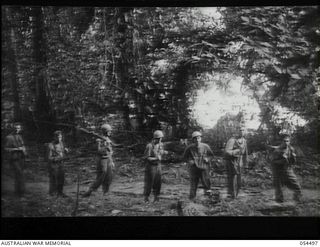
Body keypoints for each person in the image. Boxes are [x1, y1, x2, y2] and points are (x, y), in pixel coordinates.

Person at [82, 123, 120, 197]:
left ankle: (106, 192)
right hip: (102, 160)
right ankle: (91, 190)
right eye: (109, 131)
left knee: (109, 175)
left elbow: (111, 150)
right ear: (105, 131)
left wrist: (112, 161)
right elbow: (98, 151)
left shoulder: (108, 139)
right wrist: (106, 147)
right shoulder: (99, 139)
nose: (110, 132)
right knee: (102, 175)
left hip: (108, 158)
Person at [182, 131, 214, 201]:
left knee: (207, 184)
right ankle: (192, 201)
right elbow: (184, 157)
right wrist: (189, 161)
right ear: (193, 140)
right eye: (195, 138)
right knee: (193, 185)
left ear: (201, 138)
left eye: (198, 138)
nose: (197, 140)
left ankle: (209, 200)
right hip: (194, 169)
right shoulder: (189, 148)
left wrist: (207, 159)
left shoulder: (205, 146)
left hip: (204, 168)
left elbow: (211, 155)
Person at [270, 134, 302, 203]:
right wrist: (282, 160)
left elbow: (293, 162)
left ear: (289, 142)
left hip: (287, 170)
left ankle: (297, 201)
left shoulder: (291, 149)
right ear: (282, 142)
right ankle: (279, 205)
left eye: (287, 141)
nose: (286, 143)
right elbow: (272, 162)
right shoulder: (277, 151)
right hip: (278, 171)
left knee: (297, 186)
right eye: (284, 141)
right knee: (278, 188)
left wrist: (293, 157)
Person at [143, 130, 168, 203]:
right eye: (159, 138)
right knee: (149, 182)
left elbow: (161, 152)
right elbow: (146, 158)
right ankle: (146, 198)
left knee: (158, 182)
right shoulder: (149, 146)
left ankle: (156, 198)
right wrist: (156, 158)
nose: (160, 140)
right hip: (151, 166)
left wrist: (164, 152)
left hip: (158, 166)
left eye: (161, 138)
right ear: (155, 138)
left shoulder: (161, 144)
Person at [224, 125, 248, 199]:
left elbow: (245, 153)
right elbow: (227, 151)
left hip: (239, 162)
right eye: (240, 130)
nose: (241, 132)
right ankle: (232, 195)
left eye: (243, 130)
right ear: (237, 131)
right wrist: (236, 151)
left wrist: (245, 164)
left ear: (245, 132)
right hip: (232, 161)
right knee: (233, 178)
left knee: (239, 180)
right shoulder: (232, 140)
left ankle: (236, 194)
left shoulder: (244, 141)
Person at [4, 122, 28, 197]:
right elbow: (6, 149)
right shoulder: (9, 137)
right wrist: (16, 149)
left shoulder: (19, 136)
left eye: (19, 128)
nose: (17, 129)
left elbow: (23, 146)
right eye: (16, 128)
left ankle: (19, 192)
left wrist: (24, 150)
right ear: (13, 128)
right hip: (14, 158)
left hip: (21, 158)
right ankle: (20, 192)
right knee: (19, 173)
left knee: (21, 174)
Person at [47, 130, 70, 197]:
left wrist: (66, 151)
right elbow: (49, 157)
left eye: (60, 137)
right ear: (54, 137)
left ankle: (60, 192)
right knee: (54, 179)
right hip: (54, 164)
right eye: (58, 137)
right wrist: (57, 158)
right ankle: (52, 193)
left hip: (61, 163)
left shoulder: (61, 143)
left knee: (61, 178)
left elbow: (63, 152)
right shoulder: (51, 145)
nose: (60, 138)